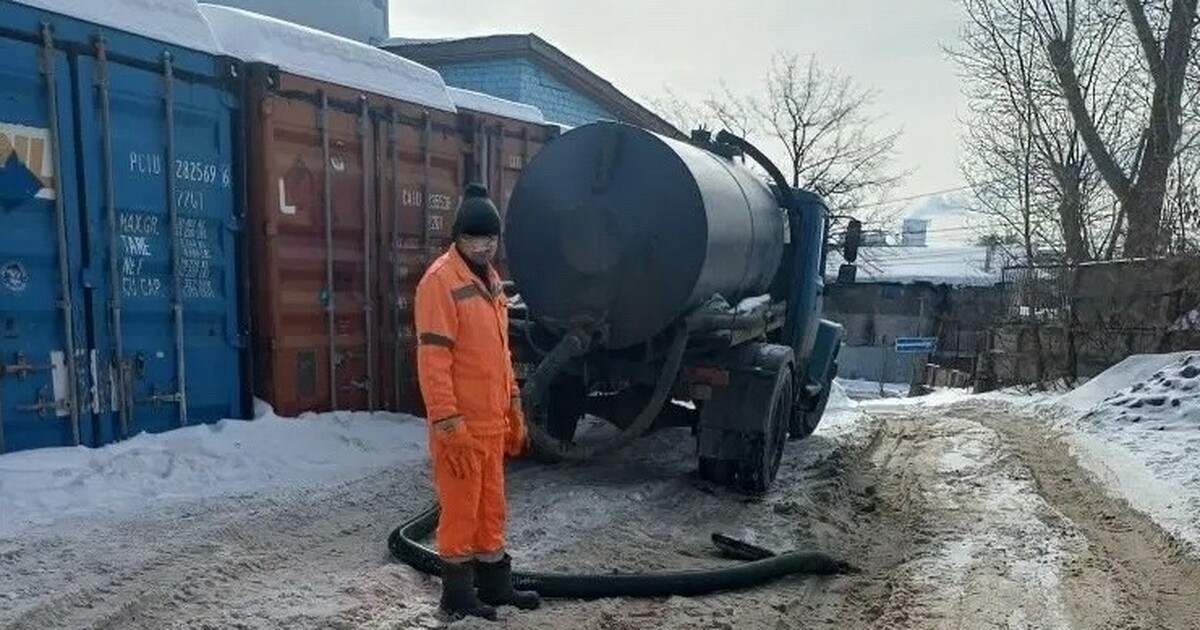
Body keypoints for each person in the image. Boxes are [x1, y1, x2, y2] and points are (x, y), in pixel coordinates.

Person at [413, 182, 541, 621]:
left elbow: (500, 355)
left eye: (490, 238)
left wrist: (514, 407)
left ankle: (495, 585)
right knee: (460, 511)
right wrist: (448, 424)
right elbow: (433, 362)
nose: (483, 246)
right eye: (474, 237)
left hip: (490, 424)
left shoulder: (491, 283)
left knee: (490, 509)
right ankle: (457, 595)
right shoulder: (440, 282)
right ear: (457, 236)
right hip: (461, 427)